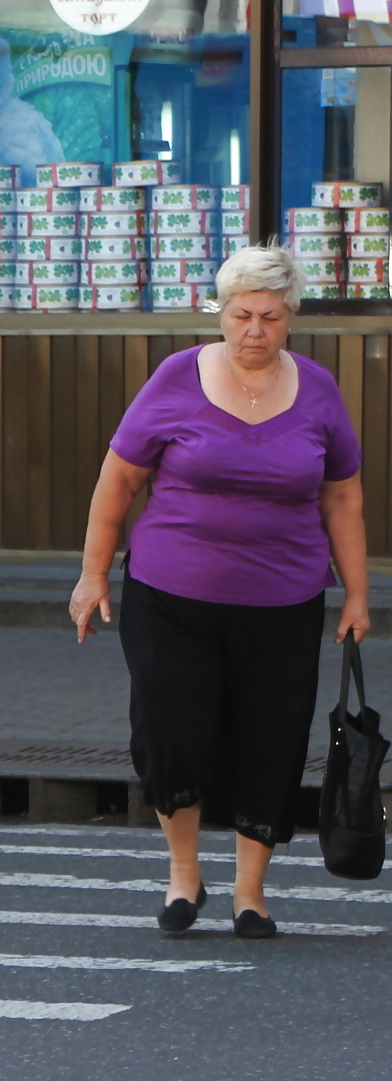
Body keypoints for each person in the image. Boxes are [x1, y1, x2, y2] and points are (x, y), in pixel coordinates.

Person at [69, 243, 368, 939]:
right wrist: (92, 573)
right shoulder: (178, 376)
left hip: (283, 603)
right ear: (222, 312)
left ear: (290, 317)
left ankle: (250, 893)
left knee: (270, 739)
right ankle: (184, 875)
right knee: (169, 731)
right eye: (241, 315)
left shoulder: (318, 389)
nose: (254, 331)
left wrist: (358, 593)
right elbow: (119, 479)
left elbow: (342, 497)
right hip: (170, 596)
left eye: (270, 317)